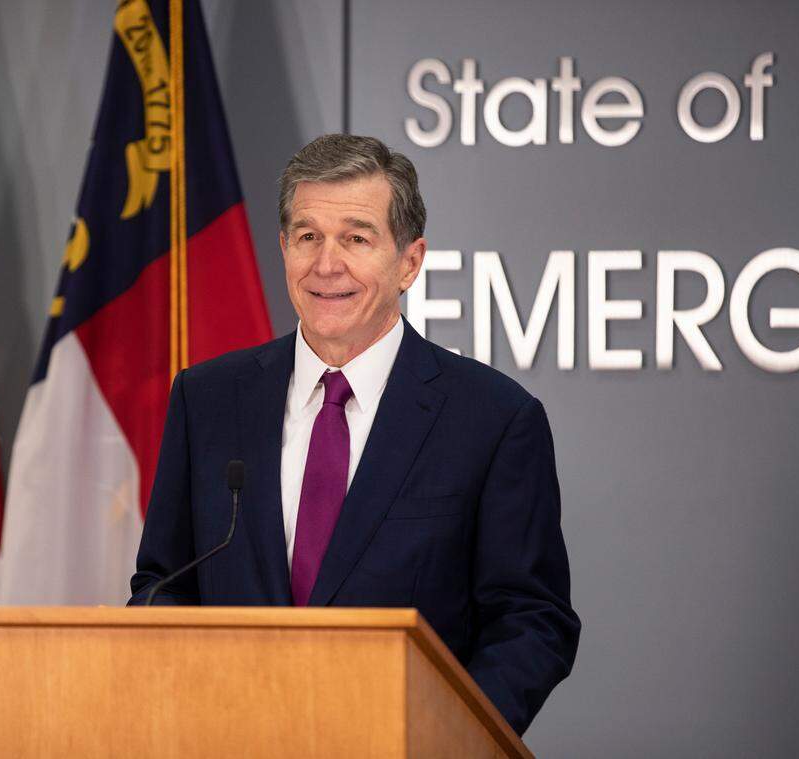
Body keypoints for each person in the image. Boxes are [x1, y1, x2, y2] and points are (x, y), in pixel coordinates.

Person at [129, 134, 580, 736]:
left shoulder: (494, 420)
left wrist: (446, 735)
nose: (327, 265)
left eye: (357, 238)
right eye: (308, 236)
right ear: (284, 247)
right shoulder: (207, 400)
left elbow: (530, 619)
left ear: (409, 261)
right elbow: (163, 584)